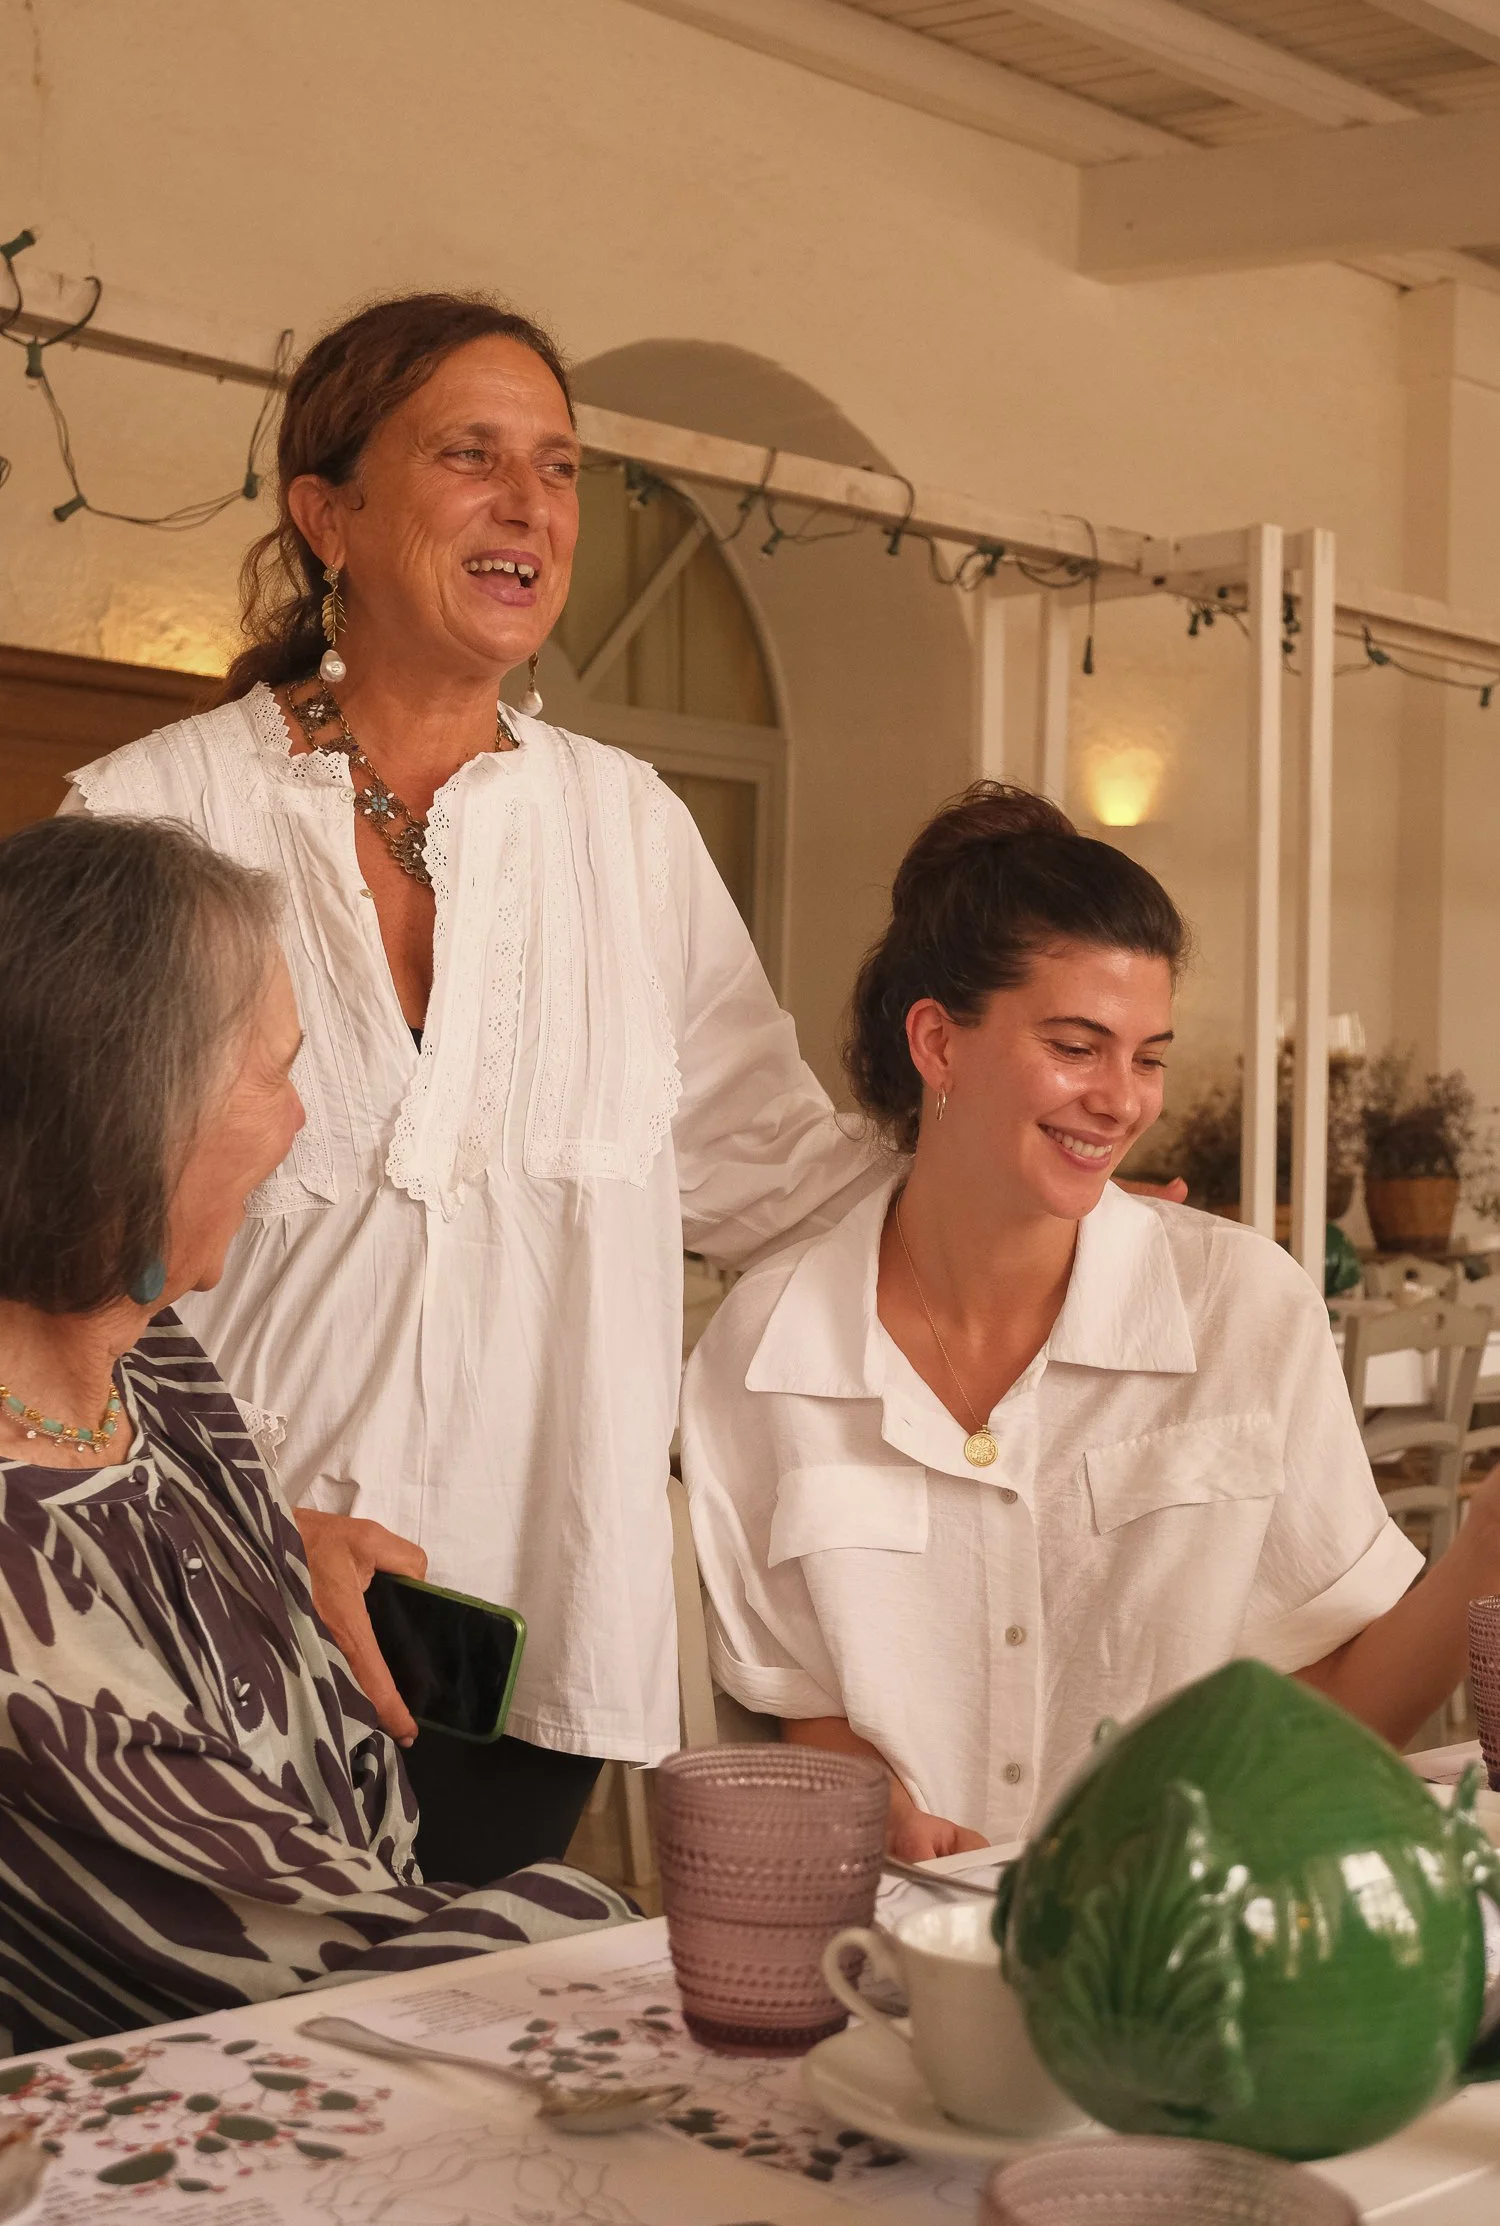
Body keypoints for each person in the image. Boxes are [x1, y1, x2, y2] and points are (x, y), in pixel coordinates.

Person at [61, 293, 883, 1878]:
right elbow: (36, 1254)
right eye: (471, 455)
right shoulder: (153, 817)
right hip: (195, 1617)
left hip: (524, 1628)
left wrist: (1045, 1209)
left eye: (561, 467)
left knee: (454, 2089)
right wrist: (232, 1535)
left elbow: (778, 1176)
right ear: (330, 513)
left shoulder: (629, 831)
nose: (531, 505)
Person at [681, 783, 1500, 1860]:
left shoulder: (1241, 1311)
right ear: (937, 1042)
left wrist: (1486, 1541)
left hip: (1190, 1955)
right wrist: (871, 1812)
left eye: (1148, 1055)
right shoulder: (765, 1353)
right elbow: (811, 1713)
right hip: (902, 1954)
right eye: (1076, 1046)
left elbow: (1329, 1713)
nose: (1122, 1100)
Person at [0, 817, 633, 2053]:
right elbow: (345, 1973)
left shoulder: (156, 1365)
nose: (298, 1126)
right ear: (131, 1119)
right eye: (275, 1072)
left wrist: (267, 1551)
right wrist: (684, 1927)